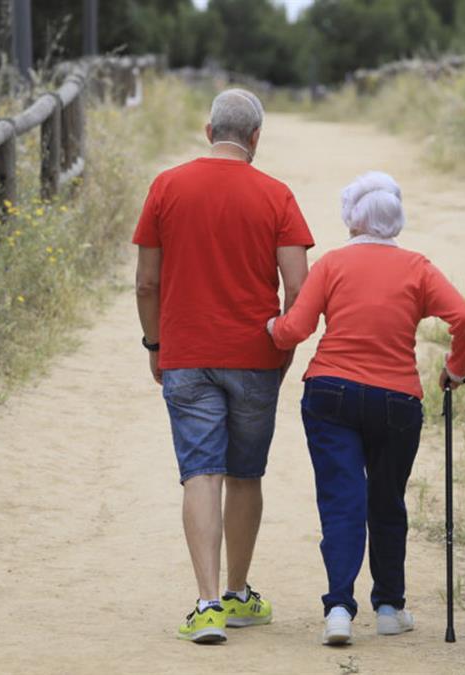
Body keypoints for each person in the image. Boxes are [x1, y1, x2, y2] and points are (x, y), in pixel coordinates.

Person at [133, 89, 314, 644]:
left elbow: (146, 281)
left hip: (186, 355)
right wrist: (281, 347)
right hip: (255, 357)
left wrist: (155, 346)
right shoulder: (277, 195)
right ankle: (238, 594)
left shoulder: (166, 187)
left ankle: (206, 604)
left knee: (200, 472)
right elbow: (299, 289)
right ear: (255, 138)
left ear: (209, 131)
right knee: (245, 474)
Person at [267, 171, 465, 645]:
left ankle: (339, 610)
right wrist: (455, 367)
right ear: (396, 221)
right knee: (387, 501)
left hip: (330, 393)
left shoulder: (332, 264)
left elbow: (295, 329)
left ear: (352, 219)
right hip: (396, 401)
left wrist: (271, 330)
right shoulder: (418, 267)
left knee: (343, 502)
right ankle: (388, 606)